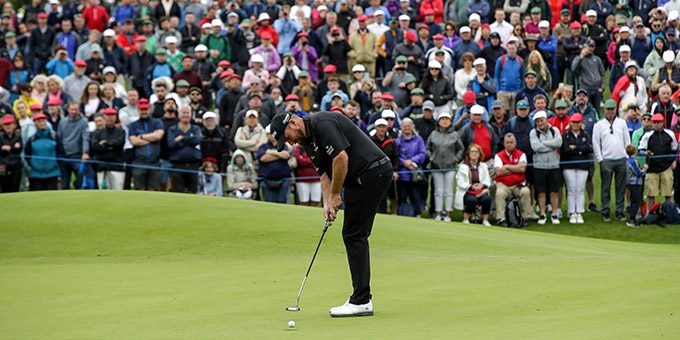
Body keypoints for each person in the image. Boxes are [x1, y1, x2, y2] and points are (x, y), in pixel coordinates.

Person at [270, 108, 392, 317]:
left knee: (354, 235)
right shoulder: (308, 142)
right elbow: (324, 173)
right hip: (361, 179)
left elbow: (341, 158)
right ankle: (361, 298)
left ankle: (362, 300)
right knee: (354, 234)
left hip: (373, 172)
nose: (289, 143)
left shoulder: (322, 123)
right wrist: (328, 202)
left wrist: (336, 195)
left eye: (286, 137)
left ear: (292, 124)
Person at [592, 99, 631, 222]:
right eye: (608, 109)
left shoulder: (622, 123)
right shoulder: (599, 125)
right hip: (607, 160)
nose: (610, 111)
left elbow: (627, 140)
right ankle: (605, 211)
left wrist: (627, 156)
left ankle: (619, 211)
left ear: (615, 109)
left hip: (621, 159)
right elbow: (596, 143)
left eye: (612, 109)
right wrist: (600, 159)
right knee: (605, 187)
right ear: (605, 110)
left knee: (621, 187)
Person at [426, 112, 465, 221]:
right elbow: (428, 148)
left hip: (450, 166)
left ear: (450, 121)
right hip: (436, 166)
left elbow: (461, 149)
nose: (444, 121)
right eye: (442, 119)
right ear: (438, 122)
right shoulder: (433, 134)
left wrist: (456, 159)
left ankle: (448, 215)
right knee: (438, 191)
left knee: (448, 191)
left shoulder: (454, 135)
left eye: (447, 119)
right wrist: (431, 158)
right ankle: (438, 214)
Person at [529, 111, 563, 225]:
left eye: (541, 120)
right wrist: (551, 146)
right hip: (539, 166)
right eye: (537, 121)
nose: (540, 123)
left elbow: (558, 142)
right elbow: (535, 146)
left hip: (554, 165)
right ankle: (542, 214)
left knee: (554, 191)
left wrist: (544, 144)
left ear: (546, 119)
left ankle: (554, 214)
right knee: (541, 192)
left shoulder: (555, 130)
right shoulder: (534, 132)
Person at [638, 114, 678, 208]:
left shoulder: (670, 134)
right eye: (654, 122)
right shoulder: (647, 135)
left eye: (658, 122)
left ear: (662, 123)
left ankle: (668, 213)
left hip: (666, 167)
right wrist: (645, 153)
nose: (656, 124)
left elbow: (674, 149)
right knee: (651, 193)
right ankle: (650, 213)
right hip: (652, 168)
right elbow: (640, 150)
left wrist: (674, 161)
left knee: (668, 193)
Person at [560, 113, 593, 224]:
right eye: (573, 122)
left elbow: (588, 148)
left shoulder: (586, 135)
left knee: (580, 189)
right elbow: (565, 150)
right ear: (570, 123)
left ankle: (579, 212)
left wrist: (576, 148)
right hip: (568, 165)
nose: (575, 124)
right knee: (571, 189)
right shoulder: (566, 135)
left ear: (581, 123)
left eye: (577, 122)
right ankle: (571, 212)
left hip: (583, 166)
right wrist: (580, 150)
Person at [493, 133, 532, 226]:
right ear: (504, 143)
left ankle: (525, 217)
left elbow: (522, 169)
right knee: (499, 193)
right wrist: (515, 168)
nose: (509, 144)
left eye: (511, 142)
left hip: (518, 184)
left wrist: (507, 166)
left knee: (526, 191)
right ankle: (501, 218)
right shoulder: (498, 155)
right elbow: (498, 172)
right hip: (503, 184)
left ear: (515, 143)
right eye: (507, 142)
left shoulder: (521, 154)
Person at [128, 99, 165, 190]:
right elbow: (134, 141)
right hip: (139, 162)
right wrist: (151, 138)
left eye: (146, 109)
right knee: (139, 189)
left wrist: (141, 136)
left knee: (154, 190)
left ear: (149, 109)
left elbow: (158, 136)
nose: (144, 111)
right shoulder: (133, 125)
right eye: (142, 109)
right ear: (138, 110)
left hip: (155, 162)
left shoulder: (157, 122)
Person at [167, 106, 203, 194]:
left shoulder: (196, 129)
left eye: (188, 113)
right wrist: (189, 140)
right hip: (177, 165)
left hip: (193, 165)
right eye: (183, 113)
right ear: (179, 115)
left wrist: (181, 138)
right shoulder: (172, 129)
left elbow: (197, 140)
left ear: (191, 115)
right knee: (178, 192)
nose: (185, 115)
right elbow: (171, 144)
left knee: (192, 191)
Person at [455, 143, 492, 225]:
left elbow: (487, 180)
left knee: (487, 199)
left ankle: (485, 220)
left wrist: (482, 186)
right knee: (472, 200)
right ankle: (466, 219)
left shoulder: (484, 166)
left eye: (476, 152)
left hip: (481, 191)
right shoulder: (463, 167)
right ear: (469, 154)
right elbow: (460, 182)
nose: (474, 153)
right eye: (472, 152)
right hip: (468, 191)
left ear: (479, 154)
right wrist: (471, 187)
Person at [89, 108, 126, 190]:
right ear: (104, 117)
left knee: (118, 190)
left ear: (116, 117)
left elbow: (119, 144)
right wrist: (111, 145)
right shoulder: (97, 132)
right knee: (103, 193)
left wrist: (105, 143)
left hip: (117, 167)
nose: (110, 118)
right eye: (107, 115)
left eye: (112, 115)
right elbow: (94, 147)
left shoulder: (121, 131)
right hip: (102, 167)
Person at [57, 102, 90, 190]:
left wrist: (85, 152)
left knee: (80, 180)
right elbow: (59, 138)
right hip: (64, 156)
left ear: (79, 110)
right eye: (72, 109)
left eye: (76, 110)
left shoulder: (84, 122)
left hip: (77, 156)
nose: (74, 112)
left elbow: (85, 138)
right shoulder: (62, 121)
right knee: (64, 183)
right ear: (68, 110)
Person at [24, 113, 60, 191]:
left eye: (43, 121)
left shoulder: (54, 136)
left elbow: (60, 152)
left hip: (52, 173)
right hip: (36, 174)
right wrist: (33, 164)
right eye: (39, 121)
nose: (42, 123)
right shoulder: (32, 139)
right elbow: (27, 154)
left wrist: (56, 163)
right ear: (35, 124)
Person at [257, 127, 292, 203]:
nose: (272, 135)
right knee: (268, 204)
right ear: (267, 135)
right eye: (270, 133)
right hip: (267, 180)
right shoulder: (263, 146)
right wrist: (279, 155)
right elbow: (263, 158)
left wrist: (270, 152)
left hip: (282, 180)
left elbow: (287, 155)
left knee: (282, 203)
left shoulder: (282, 145)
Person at [0, 115, 22, 192]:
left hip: (16, 167)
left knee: (15, 189)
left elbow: (19, 149)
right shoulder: (0, 136)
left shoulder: (18, 136)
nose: (8, 126)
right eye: (6, 124)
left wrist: (9, 148)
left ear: (14, 125)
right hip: (3, 167)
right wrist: (13, 148)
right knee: (4, 189)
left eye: (10, 124)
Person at [626, 144, 646, 227]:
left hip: (630, 183)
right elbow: (638, 173)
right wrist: (645, 168)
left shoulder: (627, 160)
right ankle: (632, 220)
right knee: (636, 202)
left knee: (633, 201)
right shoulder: (633, 161)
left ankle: (632, 219)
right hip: (635, 183)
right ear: (635, 151)